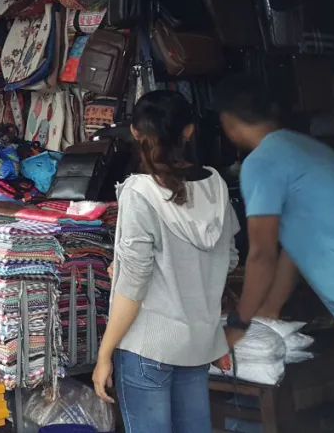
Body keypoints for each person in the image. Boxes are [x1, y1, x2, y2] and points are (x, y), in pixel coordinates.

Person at [92, 91, 238, 433]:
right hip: (197, 342)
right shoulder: (216, 184)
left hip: (147, 345)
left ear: (135, 131)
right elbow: (228, 258)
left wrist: (104, 354)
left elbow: (133, 284)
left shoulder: (139, 191)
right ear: (188, 130)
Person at [216, 76, 334, 344]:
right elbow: (296, 247)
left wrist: (241, 322)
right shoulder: (306, 147)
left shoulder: (262, 162)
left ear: (229, 122)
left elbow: (262, 254)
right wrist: (270, 307)